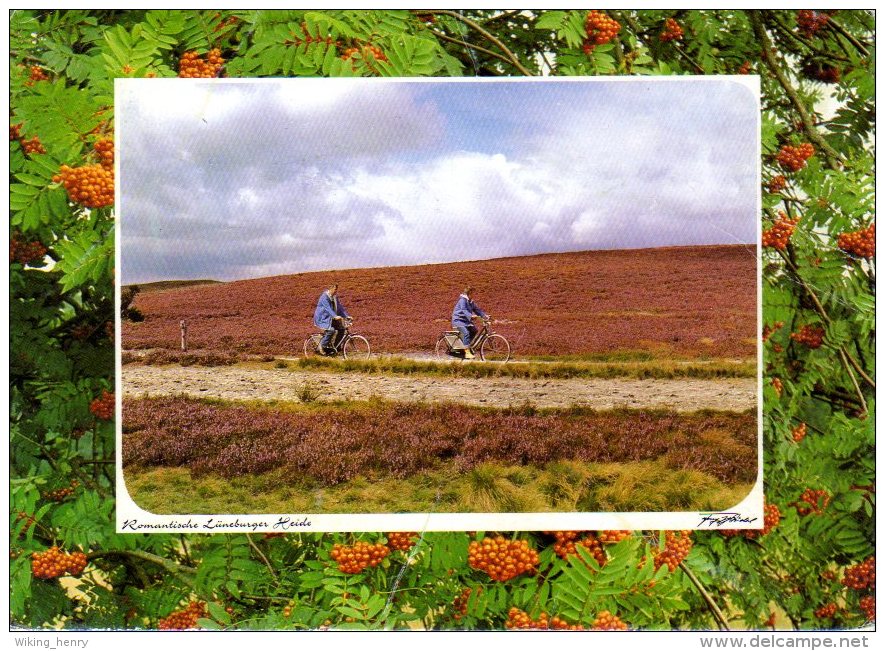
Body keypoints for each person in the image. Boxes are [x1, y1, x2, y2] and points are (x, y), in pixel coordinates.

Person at [451, 285, 489, 360]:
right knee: (466, 333)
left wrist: (484, 316)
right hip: (458, 320)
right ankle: (466, 352)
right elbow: (464, 310)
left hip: (465, 321)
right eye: (473, 293)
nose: (474, 295)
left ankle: (466, 346)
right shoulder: (463, 300)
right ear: (469, 293)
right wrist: (471, 316)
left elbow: (477, 310)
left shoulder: (471, 302)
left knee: (474, 330)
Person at [313, 283, 350, 355]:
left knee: (342, 329)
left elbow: (339, 307)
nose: (336, 291)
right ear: (330, 289)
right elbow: (328, 309)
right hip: (323, 319)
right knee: (331, 330)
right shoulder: (324, 297)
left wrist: (346, 316)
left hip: (331, 318)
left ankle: (336, 347)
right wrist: (335, 316)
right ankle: (322, 346)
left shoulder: (334, 297)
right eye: (335, 289)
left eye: (337, 289)